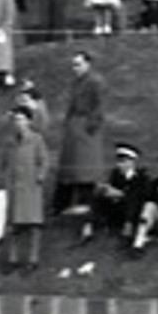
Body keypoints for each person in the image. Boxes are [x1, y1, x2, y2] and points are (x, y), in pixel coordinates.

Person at [55, 51, 107, 214]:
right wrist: (68, 121)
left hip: (86, 127)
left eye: (78, 64)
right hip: (74, 126)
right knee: (69, 164)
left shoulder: (96, 82)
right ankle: (63, 203)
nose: (75, 68)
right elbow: (72, 104)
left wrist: (91, 125)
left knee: (86, 166)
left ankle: (85, 202)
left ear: (87, 64)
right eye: (73, 65)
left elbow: (99, 106)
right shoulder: (76, 82)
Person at [2, 108, 48, 275]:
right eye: (16, 120)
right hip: (15, 188)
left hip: (31, 187)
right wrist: (7, 180)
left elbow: (44, 160)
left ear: (29, 121)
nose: (18, 123)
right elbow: (5, 162)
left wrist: (40, 176)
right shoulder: (10, 141)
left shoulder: (36, 139)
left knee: (33, 225)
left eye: (22, 119)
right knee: (13, 225)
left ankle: (32, 260)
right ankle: (12, 259)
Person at [80, 143, 148, 244]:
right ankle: (88, 225)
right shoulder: (115, 174)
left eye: (122, 162)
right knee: (98, 192)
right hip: (116, 208)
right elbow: (111, 188)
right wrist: (108, 191)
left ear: (131, 162)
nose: (119, 165)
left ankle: (127, 228)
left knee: (132, 199)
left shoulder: (142, 177)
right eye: (118, 162)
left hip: (132, 212)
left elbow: (140, 196)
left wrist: (121, 194)